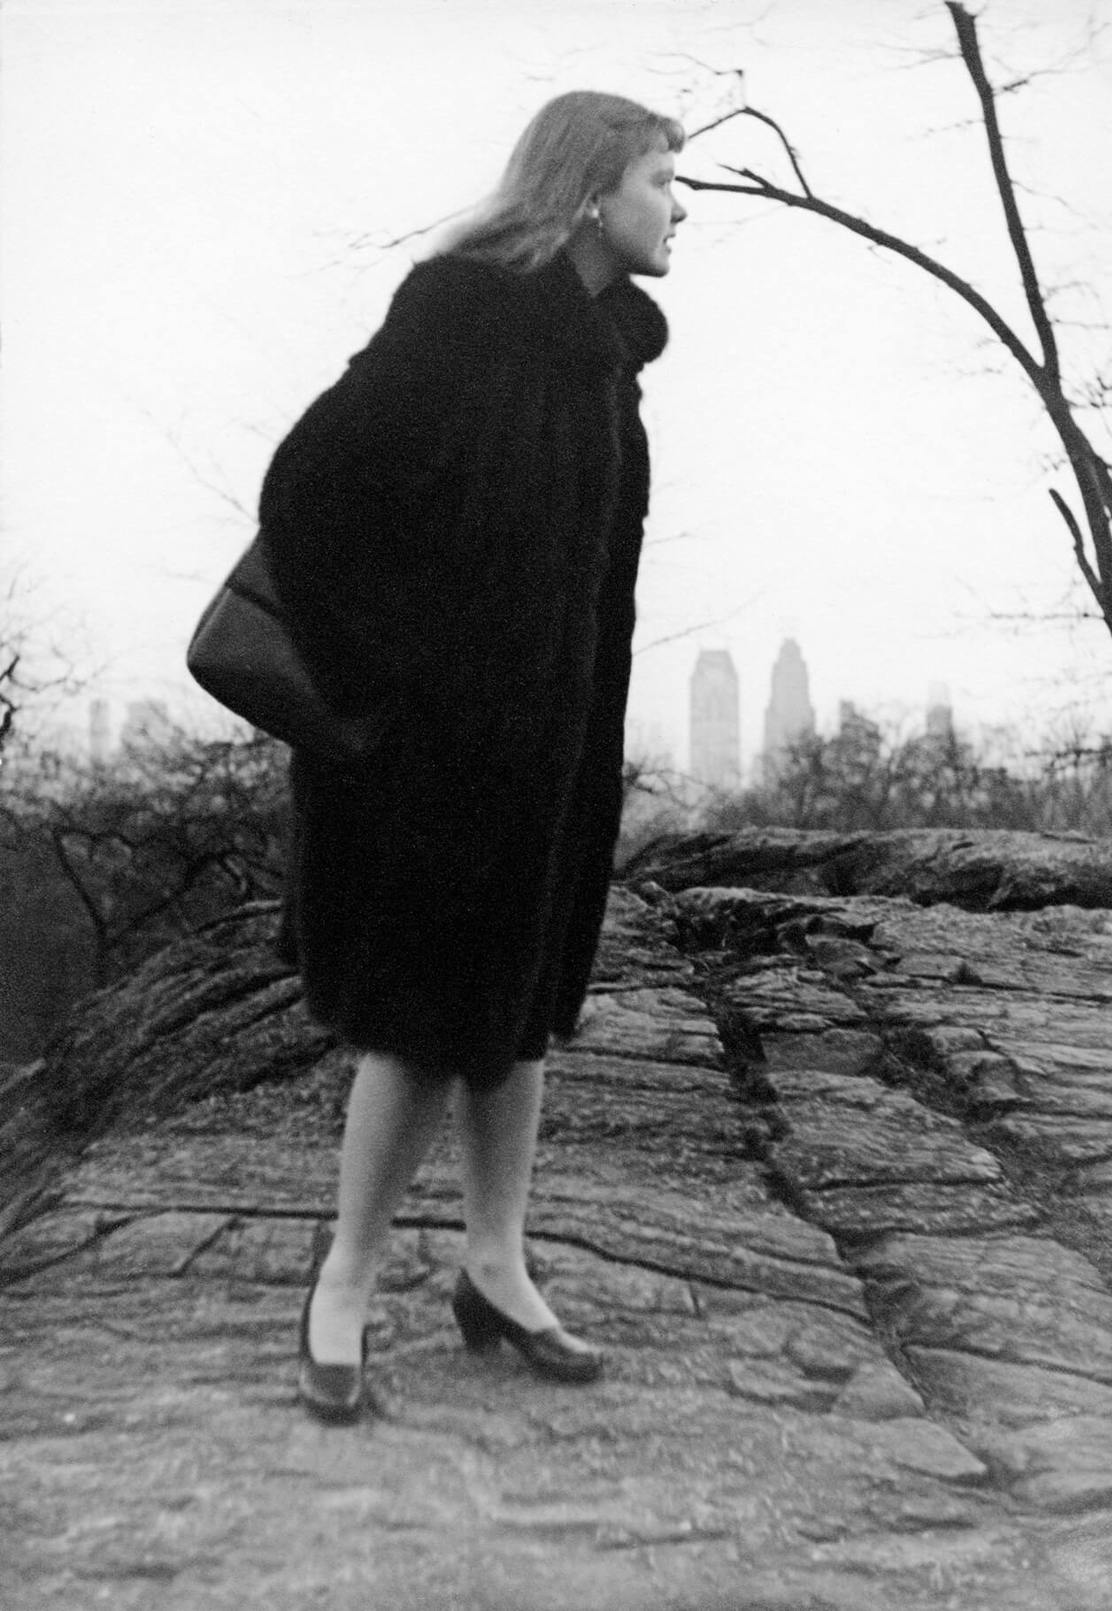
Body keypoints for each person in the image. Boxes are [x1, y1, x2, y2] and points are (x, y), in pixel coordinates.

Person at [258, 90, 687, 1422]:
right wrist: (406, 675)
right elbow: (309, 491)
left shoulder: (603, 355)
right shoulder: (459, 316)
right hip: (434, 754)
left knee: (520, 1011)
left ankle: (494, 1267)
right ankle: (344, 1278)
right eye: (662, 182)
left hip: (551, 754)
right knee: (417, 1021)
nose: (679, 210)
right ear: (587, 193)